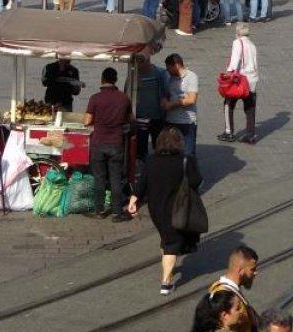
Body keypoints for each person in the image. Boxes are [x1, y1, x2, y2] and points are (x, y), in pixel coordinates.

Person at [126, 126, 202, 293]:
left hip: (156, 208)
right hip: (177, 208)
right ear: (179, 143)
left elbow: (142, 183)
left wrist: (133, 199)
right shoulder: (186, 160)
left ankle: (168, 264)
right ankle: (166, 282)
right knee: (172, 243)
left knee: (166, 237)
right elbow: (196, 181)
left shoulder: (152, 159)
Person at [80, 66, 134, 222]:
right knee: (116, 178)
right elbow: (131, 119)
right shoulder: (124, 98)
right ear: (115, 80)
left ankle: (99, 210)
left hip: (98, 143)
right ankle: (117, 213)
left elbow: (87, 121)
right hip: (116, 143)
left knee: (99, 178)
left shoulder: (95, 98)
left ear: (102, 79)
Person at [206, 245, 260, 332]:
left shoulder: (229, 290)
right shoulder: (223, 297)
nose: (256, 273)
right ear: (240, 271)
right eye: (252, 269)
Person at [221, 25, 260, 144]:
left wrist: (228, 73)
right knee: (250, 108)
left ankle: (229, 131)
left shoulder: (238, 42)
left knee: (228, 104)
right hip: (252, 80)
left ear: (238, 32)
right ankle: (251, 134)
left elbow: (235, 60)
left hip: (239, 80)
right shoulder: (252, 45)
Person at [163, 54, 199, 157]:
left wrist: (172, 104)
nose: (167, 70)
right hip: (171, 121)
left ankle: (188, 172)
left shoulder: (191, 76)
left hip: (187, 122)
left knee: (188, 153)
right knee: (170, 152)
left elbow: (191, 99)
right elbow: (166, 94)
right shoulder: (168, 77)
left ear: (176, 65)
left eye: (169, 68)